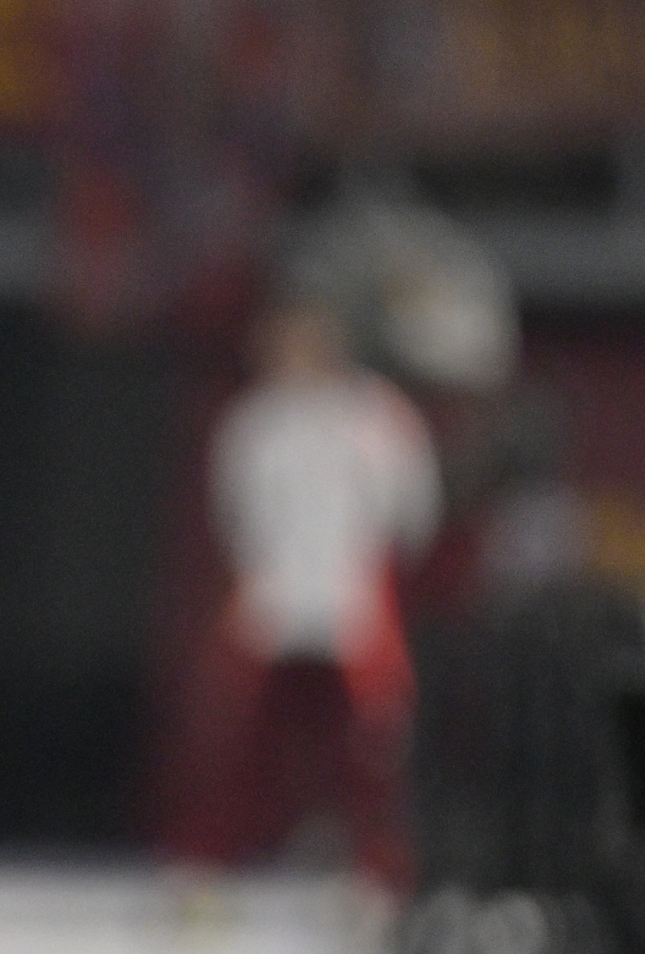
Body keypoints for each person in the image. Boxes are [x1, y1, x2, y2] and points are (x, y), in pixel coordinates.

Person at [173, 298, 438, 894]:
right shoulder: (254, 422)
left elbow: (413, 517)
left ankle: (376, 876)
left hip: (354, 612)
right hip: (270, 606)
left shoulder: (379, 419)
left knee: (372, 755)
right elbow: (233, 518)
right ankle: (208, 871)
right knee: (234, 745)